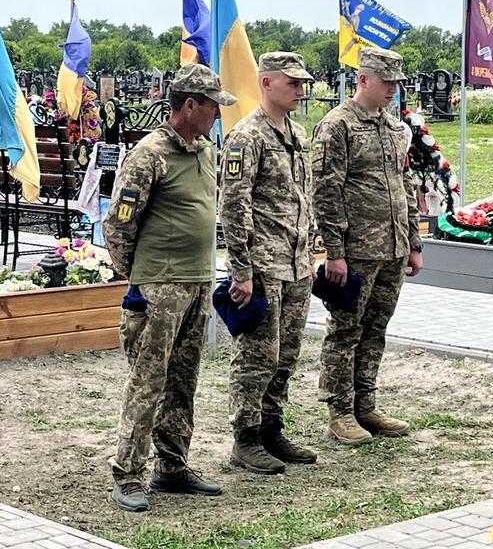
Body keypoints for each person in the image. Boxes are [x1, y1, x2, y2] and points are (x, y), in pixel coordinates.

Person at [102, 63, 236, 512]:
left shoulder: (202, 150)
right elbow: (119, 223)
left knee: (183, 381)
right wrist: (137, 279)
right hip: (159, 287)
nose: (219, 113)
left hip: (197, 282)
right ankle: (128, 473)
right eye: (214, 105)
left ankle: (172, 466)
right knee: (148, 383)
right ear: (190, 105)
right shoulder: (149, 154)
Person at [313, 45, 423, 446]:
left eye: (397, 82)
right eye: (387, 82)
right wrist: (334, 252)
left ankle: (366, 403)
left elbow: (404, 187)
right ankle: (340, 410)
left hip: (392, 249)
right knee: (345, 330)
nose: (393, 89)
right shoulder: (337, 126)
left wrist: (413, 242)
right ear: (363, 79)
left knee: (376, 328)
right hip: (356, 252)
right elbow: (326, 191)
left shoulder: (394, 129)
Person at [219, 52, 318, 475]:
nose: (300, 90)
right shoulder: (247, 136)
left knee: (287, 353)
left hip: (296, 263)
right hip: (262, 265)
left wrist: (312, 251)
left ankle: (272, 428)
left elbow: (303, 196)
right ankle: (245, 437)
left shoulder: (295, 132)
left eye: (302, 84)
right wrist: (240, 270)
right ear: (266, 83)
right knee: (258, 355)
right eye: (292, 83)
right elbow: (233, 204)